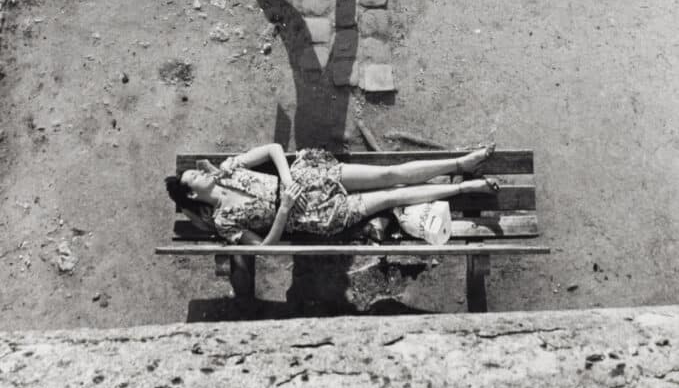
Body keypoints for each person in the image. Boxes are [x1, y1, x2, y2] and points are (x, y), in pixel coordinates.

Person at [165, 143, 499, 245]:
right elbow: (263, 250)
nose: (201, 173)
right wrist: (283, 210)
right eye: (194, 177)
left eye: (196, 171)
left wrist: (286, 179)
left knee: (389, 174)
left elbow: (274, 148)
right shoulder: (225, 223)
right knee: (391, 197)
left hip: (309, 177)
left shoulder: (230, 168)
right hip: (314, 215)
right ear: (193, 195)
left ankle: (462, 161)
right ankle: (462, 187)